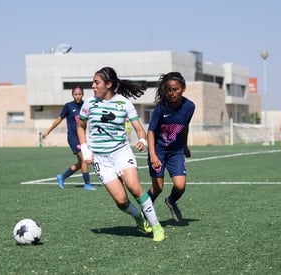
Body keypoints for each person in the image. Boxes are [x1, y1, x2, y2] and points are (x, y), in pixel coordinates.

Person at [77, 67, 164, 242]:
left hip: (121, 153)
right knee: (121, 200)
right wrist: (85, 148)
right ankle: (139, 219)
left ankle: (156, 226)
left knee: (134, 188)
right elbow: (80, 126)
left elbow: (140, 129)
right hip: (101, 159)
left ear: (108, 84)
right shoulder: (89, 103)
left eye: (96, 82)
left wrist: (142, 140)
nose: (93, 86)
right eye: (93, 82)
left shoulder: (124, 104)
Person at [146, 72, 195, 223]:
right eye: (169, 90)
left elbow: (185, 126)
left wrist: (185, 146)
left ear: (183, 89)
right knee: (158, 188)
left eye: (176, 89)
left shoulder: (190, 106)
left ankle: (171, 201)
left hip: (176, 151)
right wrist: (153, 155)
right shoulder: (161, 108)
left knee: (180, 186)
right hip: (159, 151)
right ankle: (144, 211)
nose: (172, 93)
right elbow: (151, 131)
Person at [42, 86, 96, 190]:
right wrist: (48, 131)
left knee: (81, 163)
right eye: (75, 94)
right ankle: (87, 184)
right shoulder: (68, 106)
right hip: (73, 138)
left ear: (82, 94)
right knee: (85, 159)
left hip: (82, 138)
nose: (78, 96)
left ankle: (62, 177)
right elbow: (58, 119)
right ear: (72, 95)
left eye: (79, 94)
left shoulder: (86, 105)